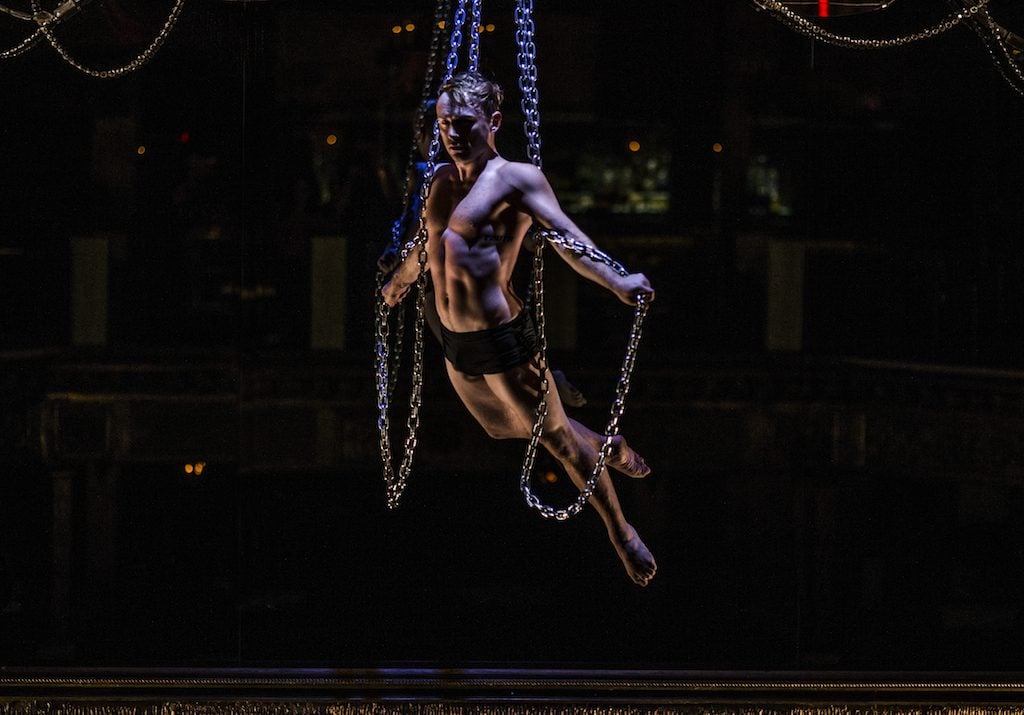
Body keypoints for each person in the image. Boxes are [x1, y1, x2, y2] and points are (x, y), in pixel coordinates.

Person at [381, 71, 657, 586]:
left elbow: (569, 240)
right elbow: (426, 245)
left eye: (464, 124)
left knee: (558, 444)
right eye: (445, 125)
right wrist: (399, 281)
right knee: (496, 426)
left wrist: (619, 279)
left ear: (494, 122)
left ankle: (621, 532)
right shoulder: (439, 180)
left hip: (503, 340)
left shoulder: (516, 179)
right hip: (456, 341)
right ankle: (607, 446)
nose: (453, 135)